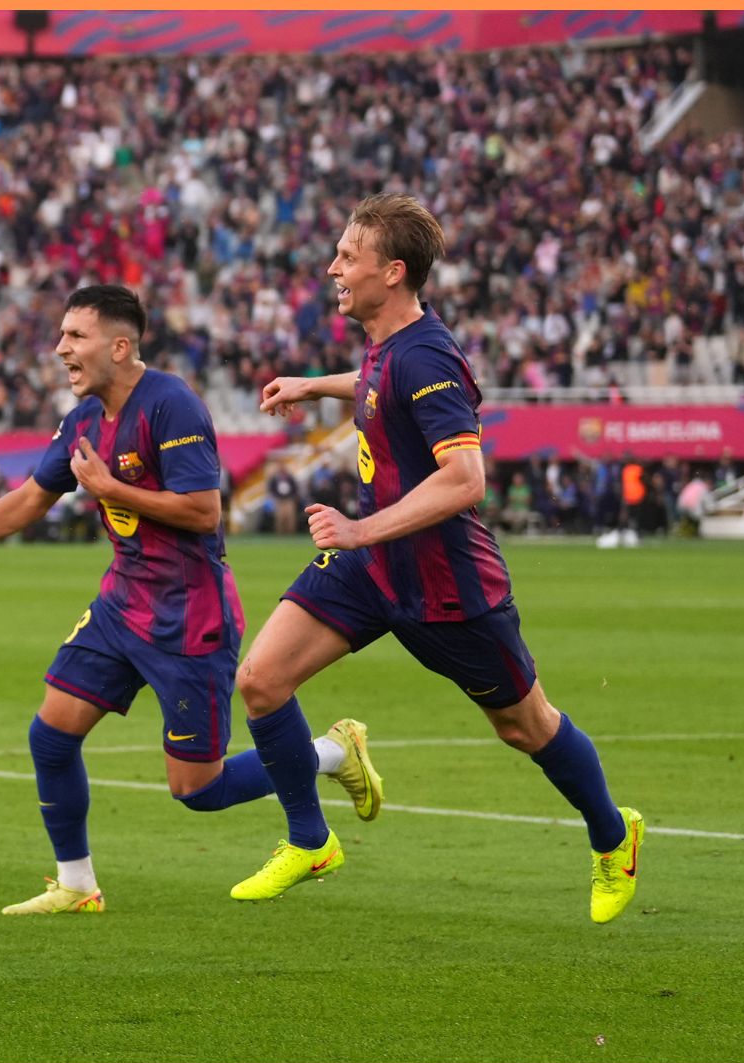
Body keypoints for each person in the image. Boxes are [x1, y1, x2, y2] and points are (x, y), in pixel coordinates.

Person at [236, 193, 642, 922]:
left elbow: (466, 478)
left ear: (392, 272)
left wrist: (359, 532)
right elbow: (374, 389)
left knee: (527, 727)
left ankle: (615, 837)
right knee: (262, 681)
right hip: (374, 568)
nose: (333, 268)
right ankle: (310, 839)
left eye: (347, 257)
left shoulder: (426, 356)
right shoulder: (388, 344)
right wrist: (313, 386)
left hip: (446, 582)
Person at [0, 285, 378, 915]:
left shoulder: (171, 405)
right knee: (50, 735)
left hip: (189, 615)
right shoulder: (81, 421)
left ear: (120, 345)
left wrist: (111, 489)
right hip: (121, 603)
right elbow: (32, 496)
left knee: (197, 789)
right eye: (62, 336)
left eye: (75, 337)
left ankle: (330, 752)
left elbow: (202, 510)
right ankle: (76, 885)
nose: (61, 349)